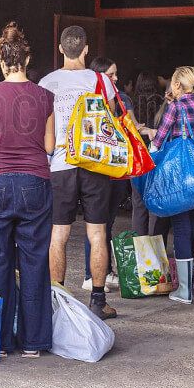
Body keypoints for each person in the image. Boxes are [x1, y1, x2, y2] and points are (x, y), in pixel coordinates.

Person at [0, 22, 56, 357]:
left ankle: (1, 341)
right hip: (35, 180)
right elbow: (50, 145)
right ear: (27, 58)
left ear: (0, 59)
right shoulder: (44, 96)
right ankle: (34, 343)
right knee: (35, 259)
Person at [39, 25, 119, 320]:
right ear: (86, 49)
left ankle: (57, 299)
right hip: (94, 164)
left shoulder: (46, 83)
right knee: (97, 232)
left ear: (61, 49)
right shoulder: (100, 81)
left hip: (60, 164)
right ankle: (98, 301)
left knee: (58, 233)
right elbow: (110, 120)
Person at [142, 66, 194, 303]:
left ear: (177, 85)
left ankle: (185, 291)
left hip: (179, 177)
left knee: (181, 229)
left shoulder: (176, 107)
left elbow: (159, 140)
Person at [82, 56, 128, 290]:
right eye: (111, 74)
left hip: (111, 165)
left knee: (106, 222)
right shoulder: (92, 97)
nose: (116, 78)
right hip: (100, 166)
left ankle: (104, 271)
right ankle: (91, 275)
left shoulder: (119, 98)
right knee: (98, 223)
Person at [130, 70, 167, 237]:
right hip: (156, 155)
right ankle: (154, 249)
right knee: (154, 203)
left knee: (138, 204)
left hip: (136, 156)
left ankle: (140, 249)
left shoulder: (131, 103)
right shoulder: (162, 102)